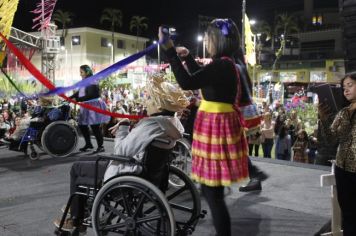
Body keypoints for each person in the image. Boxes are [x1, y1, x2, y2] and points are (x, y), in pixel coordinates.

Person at [54, 74, 188, 232]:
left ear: (159, 107)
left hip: (128, 172)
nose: (146, 102)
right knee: (90, 161)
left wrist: (122, 128)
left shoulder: (152, 125)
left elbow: (120, 152)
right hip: (148, 173)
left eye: (150, 100)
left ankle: (76, 218)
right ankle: (78, 209)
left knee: (77, 168)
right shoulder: (172, 124)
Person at [159, 18, 250, 236]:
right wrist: (188, 57)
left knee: (213, 194)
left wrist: (170, 51)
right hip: (217, 125)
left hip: (216, 127)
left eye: (209, 37)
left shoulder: (222, 65)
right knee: (212, 191)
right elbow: (202, 78)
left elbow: (188, 82)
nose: (207, 42)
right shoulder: (225, 64)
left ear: (217, 40)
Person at [318, 72, 356, 236]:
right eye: (343, 88)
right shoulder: (343, 113)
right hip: (341, 169)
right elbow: (331, 140)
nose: (346, 90)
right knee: (347, 214)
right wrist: (324, 119)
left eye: (350, 85)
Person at [70, 65, 110, 154]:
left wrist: (77, 100)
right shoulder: (85, 81)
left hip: (94, 106)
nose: (80, 74)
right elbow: (79, 92)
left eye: (81, 72)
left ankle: (101, 146)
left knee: (94, 126)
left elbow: (91, 95)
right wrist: (70, 97)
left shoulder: (93, 81)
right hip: (86, 106)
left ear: (87, 72)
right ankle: (88, 144)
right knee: (82, 125)